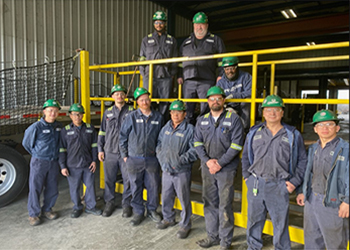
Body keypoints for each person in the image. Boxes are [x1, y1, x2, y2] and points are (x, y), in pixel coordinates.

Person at [241, 95, 307, 250]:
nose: (272, 113)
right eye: (268, 110)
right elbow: (245, 156)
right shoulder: (253, 133)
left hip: (279, 185)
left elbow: (303, 161)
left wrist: (294, 183)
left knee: (280, 222)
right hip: (256, 183)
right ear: (263, 113)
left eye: (276, 110)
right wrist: (246, 177)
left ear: (282, 113)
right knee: (254, 220)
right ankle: (253, 247)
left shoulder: (292, 135)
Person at [194, 86, 244, 250]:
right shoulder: (202, 120)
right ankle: (212, 236)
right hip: (208, 168)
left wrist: (220, 163)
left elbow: (236, 145)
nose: (215, 101)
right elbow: (197, 143)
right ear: (208, 101)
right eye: (212, 99)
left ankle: (225, 241)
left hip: (226, 170)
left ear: (223, 100)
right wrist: (208, 162)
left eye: (218, 98)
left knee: (224, 205)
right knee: (209, 202)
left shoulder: (234, 119)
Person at [296, 109, 349, 250]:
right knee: (312, 240)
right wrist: (303, 191)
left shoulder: (346, 149)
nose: (324, 128)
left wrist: (347, 201)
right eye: (320, 125)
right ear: (315, 129)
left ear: (337, 128)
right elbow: (309, 172)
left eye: (329, 124)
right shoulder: (313, 148)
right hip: (312, 200)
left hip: (334, 203)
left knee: (335, 244)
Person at [119, 87, 164, 226]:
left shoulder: (158, 117)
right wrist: (125, 156)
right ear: (137, 102)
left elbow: (161, 139)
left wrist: (159, 155)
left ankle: (152, 210)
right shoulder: (131, 117)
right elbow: (122, 137)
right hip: (134, 158)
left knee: (153, 186)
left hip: (152, 159)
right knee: (135, 186)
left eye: (147, 99)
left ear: (150, 100)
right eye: (141, 100)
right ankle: (138, 212)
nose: (145, 102)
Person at [155, 100, 198, 239]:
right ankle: (168, 218)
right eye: (173, 112)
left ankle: (185, 225)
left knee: (183, 198)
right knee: (166, 195)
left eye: (179, 112)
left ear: (184, 114)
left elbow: (195, 150)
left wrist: (180, 161)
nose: (175, 115)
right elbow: (159, 144)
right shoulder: (165, 128)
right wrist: (162, 158)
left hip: (182, 171)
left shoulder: (190, 129)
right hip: (166, 169)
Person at [177, 11, 226, 125]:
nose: (199, 27)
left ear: (207, 25)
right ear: (193, 25)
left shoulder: (215, 41)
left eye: (202, 24)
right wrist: (180, 75)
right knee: (187, 108)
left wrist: (220, 75)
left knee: (206, 108)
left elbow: (222, 60)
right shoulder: (186, 42)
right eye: (197, 24)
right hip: (188, 81)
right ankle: (188, 130)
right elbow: (179, 62)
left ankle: (204, 129)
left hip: (207, 80)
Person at [22, 99, 62, 226]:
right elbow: (26, 144)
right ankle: (33, 214)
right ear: (44, 111)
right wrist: (37, 154)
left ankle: (47, 209)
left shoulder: (58, 127)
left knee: (52, 187)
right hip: (39, 161)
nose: (53, 113)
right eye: (50, 110)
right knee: (35, 188)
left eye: (55, 111)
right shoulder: (36, 127)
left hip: (54, 161)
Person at [97, 84, 134, 218]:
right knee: (109, 179)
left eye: (122, 93)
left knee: (127, 179)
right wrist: (100, 149)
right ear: (112, 96)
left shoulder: (132, 110)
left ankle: (126, 204)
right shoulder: (107, 112)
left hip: (126, 152)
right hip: (110, 151)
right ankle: (109, 203)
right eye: (116, 93)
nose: (119, 95)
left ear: (125, 96)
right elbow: (102, 131)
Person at [59, 103, 102, 218]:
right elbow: (62, 150)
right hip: (72, 165)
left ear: (83, 115)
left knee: (90, 186)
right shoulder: (65, 131)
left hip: (88, 164)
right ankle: (77, 207)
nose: (77, 117)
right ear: (70, 116)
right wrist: (63, 166)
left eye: (80, 114)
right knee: (74, 188)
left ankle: (91, 207)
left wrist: (94, 160)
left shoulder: (90, 128)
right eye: (75, 114)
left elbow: (94, 146)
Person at [139, 10, 178, 118]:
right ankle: (148, 122)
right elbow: (142, 58)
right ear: (153, 24)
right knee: (147, 101)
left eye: (161, 22)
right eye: (156, 22)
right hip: (149, 76)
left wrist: (172, 74)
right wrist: (144, 74)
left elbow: (175, 59)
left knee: (164, 103)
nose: (159, 25)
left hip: (165, 76)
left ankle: (161, 124)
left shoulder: (172, 40)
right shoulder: (146, 40)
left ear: (165, 23)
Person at [217, 56, 252, 132]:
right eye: (227, 69)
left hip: (242, 106)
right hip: (228, 106)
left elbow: (252, 92)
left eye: (232, 68)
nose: (230, 71)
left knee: (247, 101)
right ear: (224, 69)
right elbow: (217, 96)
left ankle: (245, 130)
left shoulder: (246, 77)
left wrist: (234, 96)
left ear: (237, 67)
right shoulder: (221, 82)